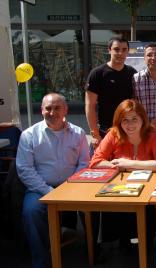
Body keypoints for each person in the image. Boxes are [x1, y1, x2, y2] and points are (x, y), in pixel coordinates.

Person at [16, 93, 90, 268]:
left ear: (66, 110)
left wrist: (70, 187)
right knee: (32, 211)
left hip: (73, 186)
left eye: (57, 108)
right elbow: (25, 169)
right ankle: (41, 261)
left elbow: (85, 164)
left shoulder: (78, 133)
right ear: (41, 110)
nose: (52, 112)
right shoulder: (29, 135)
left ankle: (92, 250)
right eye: (48, 108)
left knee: (94, 208)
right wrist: (48, 191)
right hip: (40, 188)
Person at [89, 99, 156, 245]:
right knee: (112, 205)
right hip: (121, 188)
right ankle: (122, 239)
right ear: (119, 121)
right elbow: (95, 162)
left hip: (148, 188)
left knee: (148, 210)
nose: (130, 124)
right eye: (125, 120)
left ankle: (147, 239)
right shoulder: (113, 134)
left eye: (134, 119)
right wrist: (118, 166)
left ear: (142, 119)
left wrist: (130, 163)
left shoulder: (153, 134)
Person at [85, 36, 137, 149]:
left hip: (127, 131)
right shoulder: (97, 73)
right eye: (116, 49)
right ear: (109, 50)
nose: (120, 53)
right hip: (104, 131)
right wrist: (95, 134)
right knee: (100, 165)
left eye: (124, 50)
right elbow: (90, 105)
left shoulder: (132, 73)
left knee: (125, 165)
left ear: (128, 51)